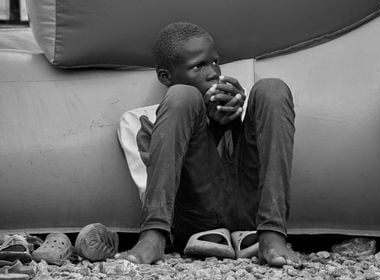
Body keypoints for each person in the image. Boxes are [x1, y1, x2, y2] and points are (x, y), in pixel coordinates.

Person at [115, 22, 299, 267]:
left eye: (215, 62)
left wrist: (232, 123)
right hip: (196, 219)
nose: (213, 72)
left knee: (272, 88)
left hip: (252, 212)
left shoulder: (231, 102)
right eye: (198, 66)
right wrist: (206, 125)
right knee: (184, 96)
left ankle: (274, 234)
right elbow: (152, 186)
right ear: (165, 77)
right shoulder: (139, 119)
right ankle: (152, 237)